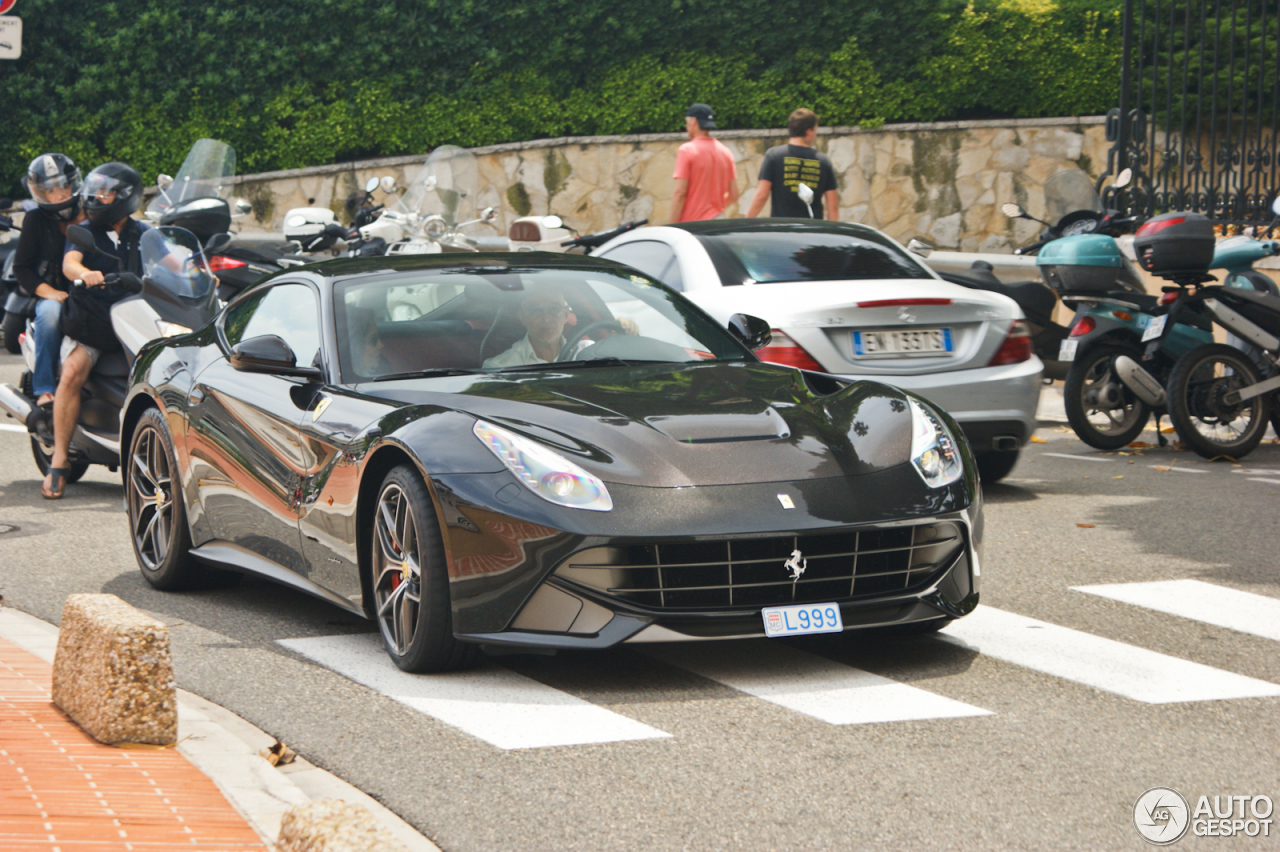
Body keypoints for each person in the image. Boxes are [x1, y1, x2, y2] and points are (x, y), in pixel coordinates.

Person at [42, 162, 149, 499]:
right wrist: (85, 272)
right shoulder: (85, 231)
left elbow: (174, 260)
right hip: (94, 318)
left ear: (126, 197)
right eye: (96, 190)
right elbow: (70, 262)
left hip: (137, 317)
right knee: (72, 372)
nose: (97, 197)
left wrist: (196, 273)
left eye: (106, 192)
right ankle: (59, 460)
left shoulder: (144, 233)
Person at [12, 154, 85, 413]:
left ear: (74, 183)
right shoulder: (35, 220)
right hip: (55, 295)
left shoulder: (92, 213)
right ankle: (45, 389)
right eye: (50, 190)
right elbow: (21, 268)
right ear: (40, 193)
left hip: (92, 293)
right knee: (50, 315)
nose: (59, 194)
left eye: (64, 186)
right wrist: (51, 293)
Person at [482, 287, 636, 369]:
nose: (546, 318)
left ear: (565, 314)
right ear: (522, 318)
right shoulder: (500, 367)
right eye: (536, 310)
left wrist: (623, 336)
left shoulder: (589, 353)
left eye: (554, 309)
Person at [745, 108, 839, 221]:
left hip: (782, 230)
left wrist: (747, 221)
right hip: (813, 231)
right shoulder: (823, 161)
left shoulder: (774, 156)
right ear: (809, 132)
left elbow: (761, 195)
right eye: (815, 131)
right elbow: (832, 206)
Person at [669, 103, 738, 223]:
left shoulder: (687, 150)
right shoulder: (726, 152)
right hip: (716, 222)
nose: (686, 126)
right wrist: (716, 210)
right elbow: (734, 194)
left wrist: (671, 226)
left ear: (694, 122)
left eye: (687, 122)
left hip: (691, 224)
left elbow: (680, 193)